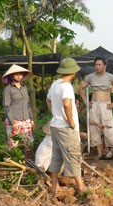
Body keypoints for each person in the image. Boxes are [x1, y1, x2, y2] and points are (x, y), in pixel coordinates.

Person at [46, 58, 87, 195]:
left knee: (56, 156)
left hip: (55, 126)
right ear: (73, 72)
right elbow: (67, 104)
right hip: (65, 128)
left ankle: (54, 187)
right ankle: (81, 187)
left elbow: (48, 99)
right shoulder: (67, 86)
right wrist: (71, 122)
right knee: (73, 155)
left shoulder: (55, 84)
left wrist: (55, 114)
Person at [78, 56, 113, 159]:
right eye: (96, 65)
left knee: (109, 128)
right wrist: (86, 102)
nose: (97, 66)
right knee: (94, 129)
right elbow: (81, 88)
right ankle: (99, 154)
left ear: (104, 66)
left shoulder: (110, 77)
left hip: (106, 106)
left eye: (99, 65)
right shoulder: (90, 77)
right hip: (94, 105)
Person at [2, 64, 34, 157]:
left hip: (26, 120)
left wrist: (31, 119)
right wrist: (13, 123)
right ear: (11, 76)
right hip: (14, 120)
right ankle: (14, 164)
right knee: (14, 144)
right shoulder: (8, 89)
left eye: (20, 74)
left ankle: (28, 164)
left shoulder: (24, 88)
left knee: (29, 143)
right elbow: (7, 106)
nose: (18, 76)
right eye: (16, 74)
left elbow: (28, 104)